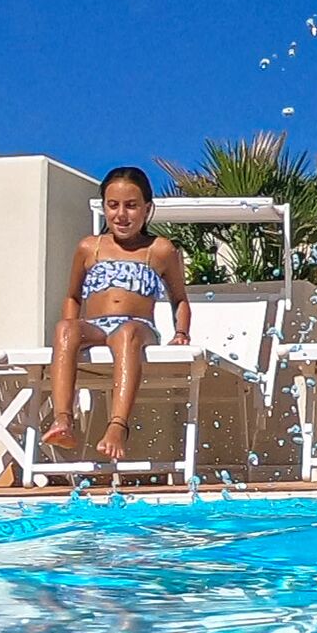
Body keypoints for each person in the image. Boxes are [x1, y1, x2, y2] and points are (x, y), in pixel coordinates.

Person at [46, 166, 189, 464]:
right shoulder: (89, 247)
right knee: (64, 329)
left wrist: (181, 333)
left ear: (148, 209)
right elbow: (73, 296)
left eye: (131, 206)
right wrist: (72, 327)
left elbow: (180, 299)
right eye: (113, 205)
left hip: (139, 329)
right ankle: (63, 419)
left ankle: (117, 426)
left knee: (127, 332)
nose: (122, 215)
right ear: (104, 208)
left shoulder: (160, 250)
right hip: (97, 328)